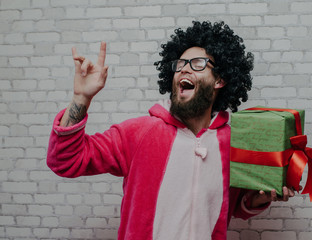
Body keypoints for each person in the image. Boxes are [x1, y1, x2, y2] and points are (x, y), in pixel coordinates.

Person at [47, 21, 296, 240]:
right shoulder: (138, 132)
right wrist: (81, 99)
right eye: (180, 64)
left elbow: (234, 207)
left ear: (220, 80)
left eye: (198, 64)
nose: (184, 69)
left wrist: (262, 198)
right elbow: (65, 161)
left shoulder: (233, 143)